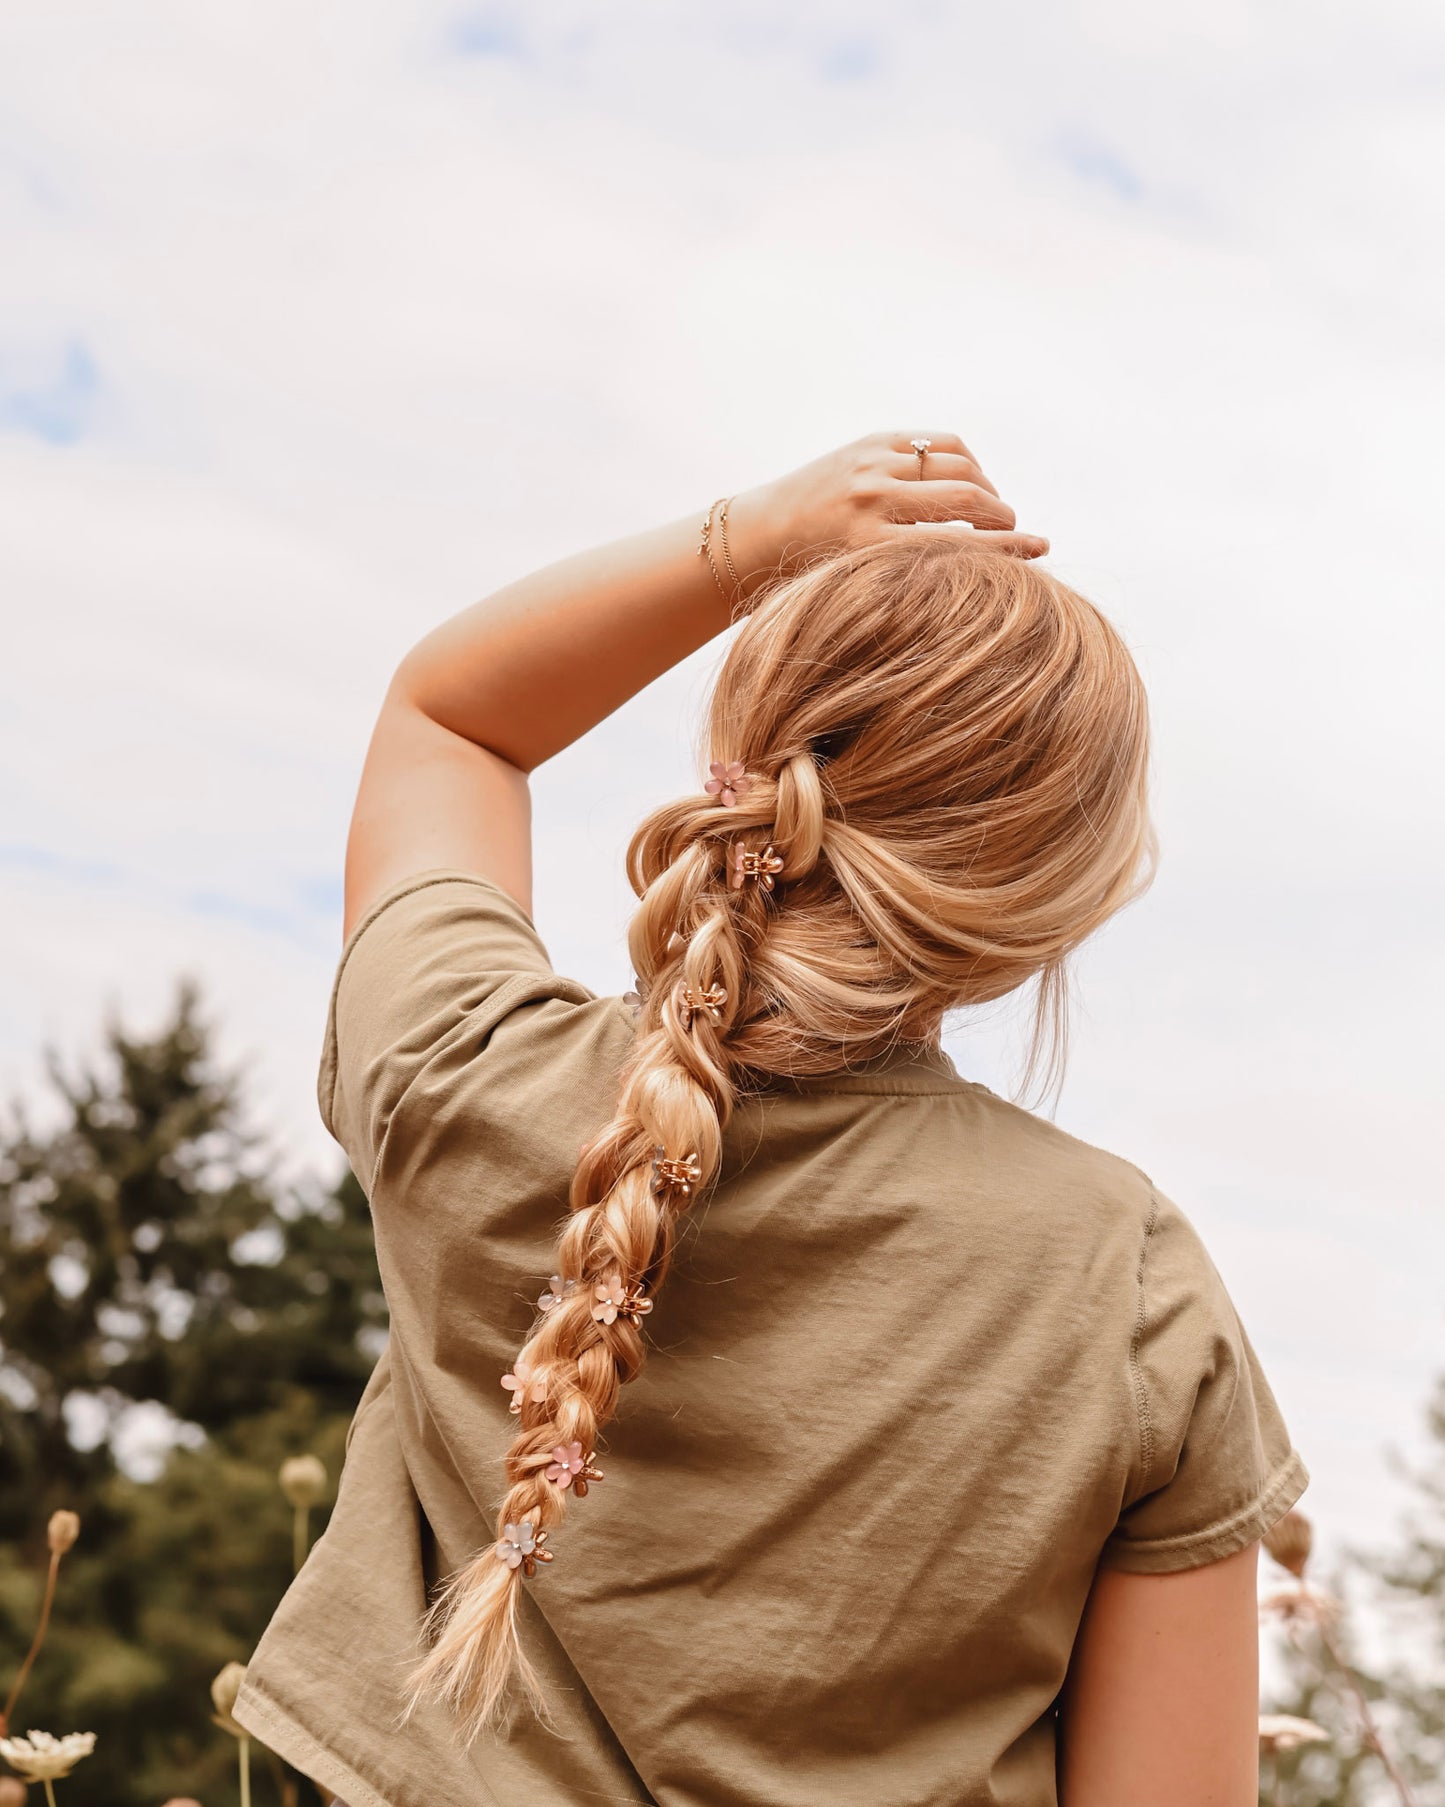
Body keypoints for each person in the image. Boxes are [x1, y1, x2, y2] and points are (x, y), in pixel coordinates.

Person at [234, 430, 1309, 1807]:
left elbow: (449, 718)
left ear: (741, 775)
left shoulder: (461, 1072)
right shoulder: (1128, 1282)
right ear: (1052, 901)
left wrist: (752, 539)